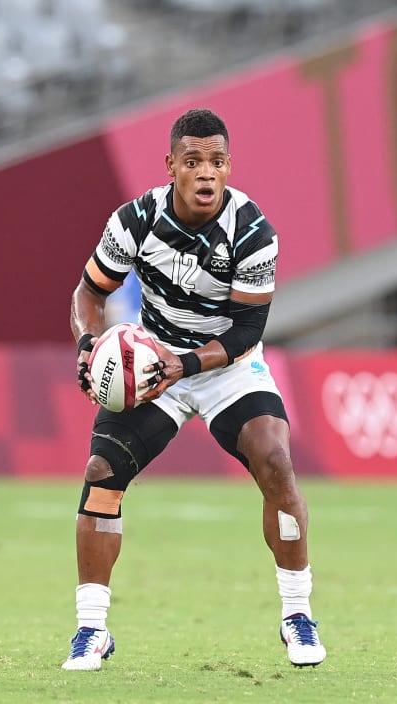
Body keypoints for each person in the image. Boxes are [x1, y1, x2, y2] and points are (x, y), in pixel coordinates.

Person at [64, 108, 326, 671]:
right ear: (171, 167)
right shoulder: (134, 222)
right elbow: (87, 294)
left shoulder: (254, 232)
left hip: (225, 366)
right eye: (193, 162)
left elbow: (248, 330)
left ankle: (297, 615)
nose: (206, 174)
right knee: (100, 476)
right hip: (155, 364)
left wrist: (183, 364)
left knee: (276, 461)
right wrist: (89, 345)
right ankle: (91, 630)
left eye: (216, 162)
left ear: (228, 167)